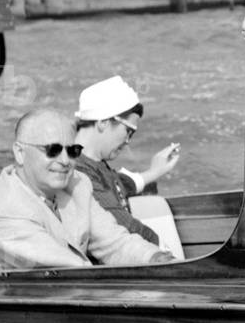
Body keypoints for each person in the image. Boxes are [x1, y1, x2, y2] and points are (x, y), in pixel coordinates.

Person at [0, 108, 173, 272]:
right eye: (52, 150)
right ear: (20, 153)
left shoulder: (77, 185)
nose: (64, 160)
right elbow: (70, 268)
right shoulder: (2, 210)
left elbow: (114, 242)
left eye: (72, 151)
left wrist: (160, 259)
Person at [74, 75, 181, 245]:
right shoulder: (78, 172)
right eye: (129, 131)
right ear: (103, 121)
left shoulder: (91, 162)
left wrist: (155, 171)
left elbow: (116, 185)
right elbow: (123, 224)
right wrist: (163, 249)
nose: (127, 141)